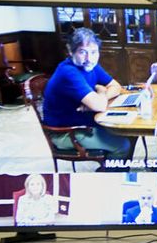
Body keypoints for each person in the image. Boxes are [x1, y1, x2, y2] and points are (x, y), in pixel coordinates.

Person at [41, 28, 135, 158]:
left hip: (85, 123)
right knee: (122, 145)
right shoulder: (68, 72)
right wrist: (101, 92)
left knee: (130, 132)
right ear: (70, 51)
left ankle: (120, 168)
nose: (89, 58)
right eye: (82, 52)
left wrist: (101, 96)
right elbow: (100, 106)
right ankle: (109, 174)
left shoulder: (91, 65)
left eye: (93, 52)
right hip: (66, 133)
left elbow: (116, 86)